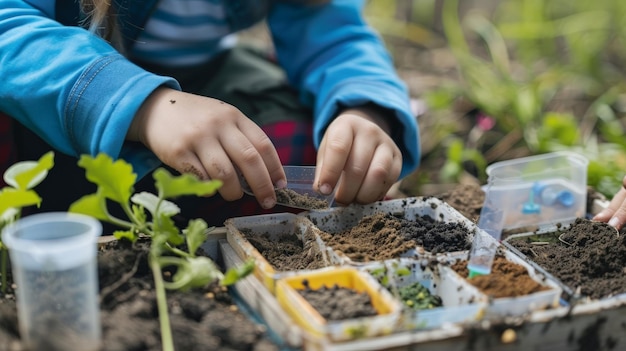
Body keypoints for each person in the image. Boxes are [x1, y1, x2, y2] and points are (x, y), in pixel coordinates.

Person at [0, 0, 420, 227]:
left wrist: (364, 111)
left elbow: (331, 34)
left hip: (204, 83)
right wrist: (145, 107)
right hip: (57, 85)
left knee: (307, 158)